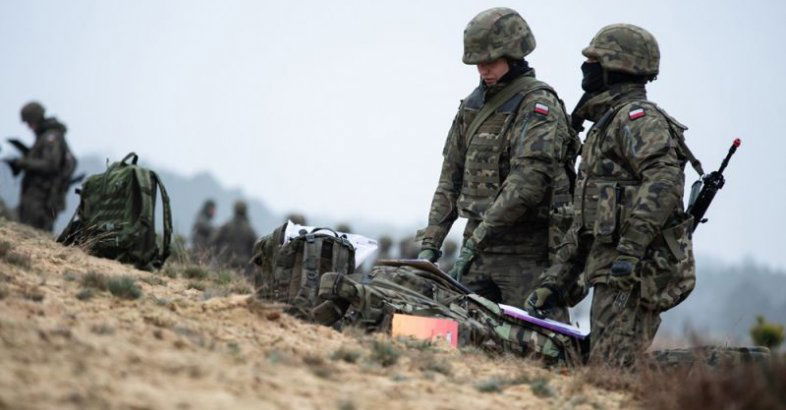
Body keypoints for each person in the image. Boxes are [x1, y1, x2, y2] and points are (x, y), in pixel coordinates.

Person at [526, 24, 700, 367]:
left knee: (612, 368)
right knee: (602, 364)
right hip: (610, 266)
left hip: (634, 272)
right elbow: (587, 217)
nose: (586, 67)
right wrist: (555, 281)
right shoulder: (606, 123)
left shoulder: (638, 120)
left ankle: (728, 378)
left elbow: (664, 184)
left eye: (594, 60)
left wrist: (630, 251)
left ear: (617, 67)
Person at [416, 8, 580, 314]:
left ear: (514, 55)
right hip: (476, 250)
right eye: (478, 63)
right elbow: (450, 178)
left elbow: (528, 183)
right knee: (451, 331)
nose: (482, 70)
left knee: (537, 346)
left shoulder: (538, 106)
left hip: (525, 254)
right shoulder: (471, 106)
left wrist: (478, 239)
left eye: (490, 61)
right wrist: (431, 243)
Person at [10, 101, 75, 232]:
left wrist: (23, 163)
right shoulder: (44, 137)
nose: (29, 126)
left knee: (35, 233)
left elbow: (51, 165)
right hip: (37, 197)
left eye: (29, 122)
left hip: (43, 198)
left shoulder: (51, 137)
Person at [211, 200, 257, 272]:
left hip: (227, 260)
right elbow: (256, 245)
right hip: (243, 264)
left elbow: (214, 240)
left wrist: (218, 253)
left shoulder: (226, 225)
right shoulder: (249, 229)